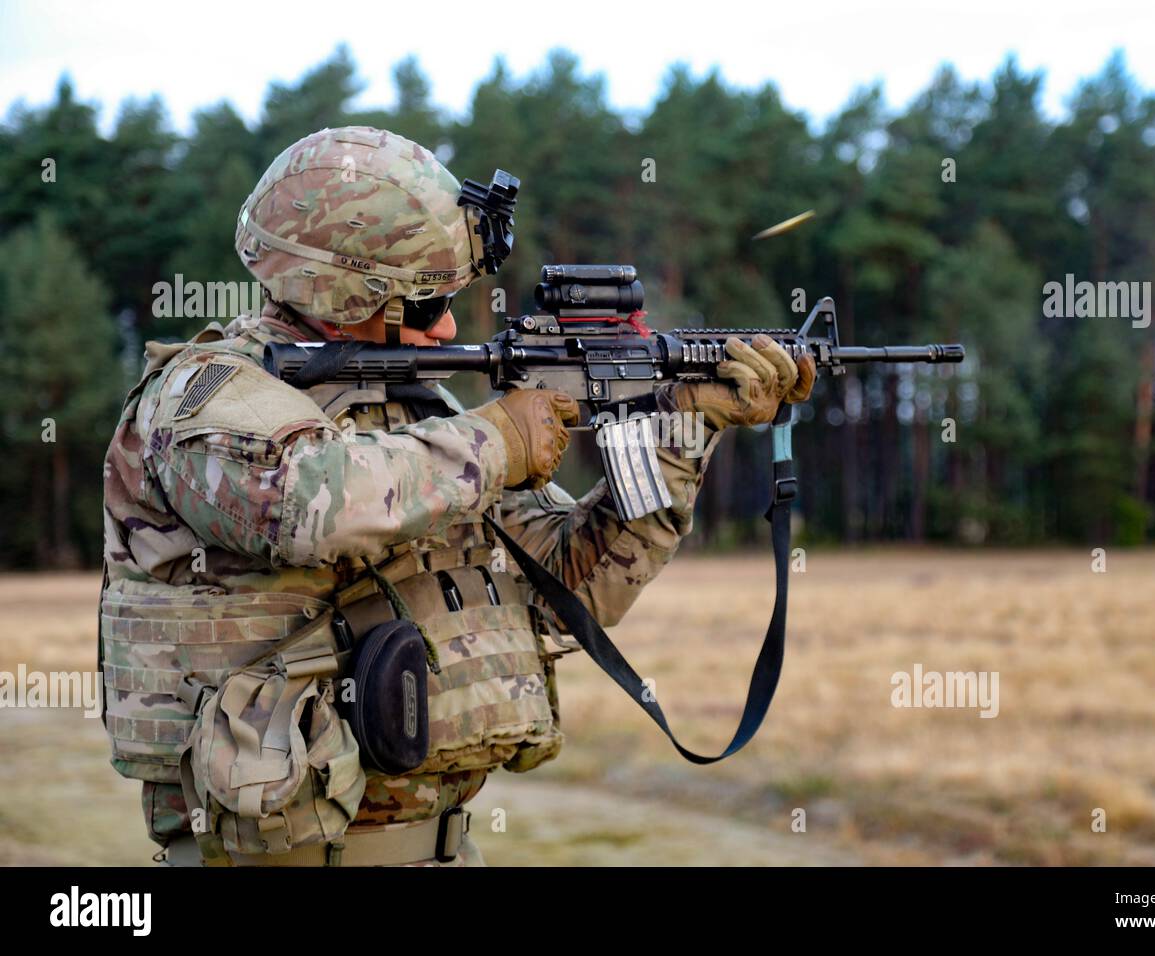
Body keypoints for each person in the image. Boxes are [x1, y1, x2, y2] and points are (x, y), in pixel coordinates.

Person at [100, 125, 814, 866]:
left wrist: (682, 429)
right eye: (424, 302)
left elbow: (568, 585)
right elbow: (302, 503)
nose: (445, 325)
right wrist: (498, 441)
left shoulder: (423, 417)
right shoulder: (204, 395)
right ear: (344, 292)